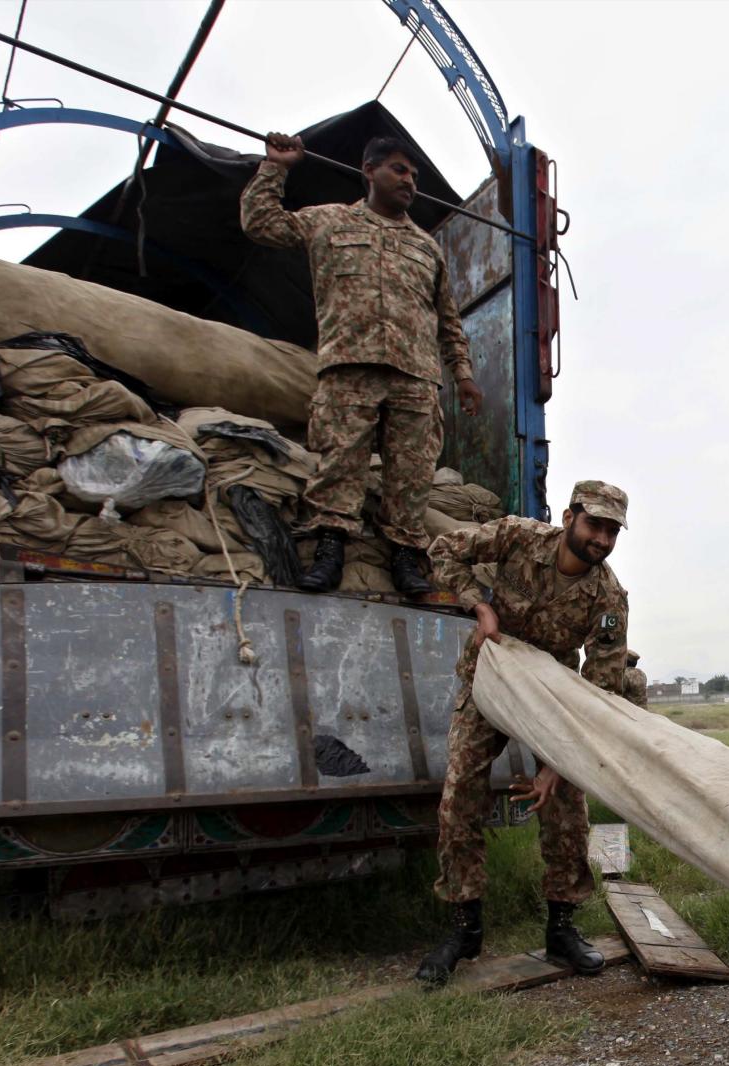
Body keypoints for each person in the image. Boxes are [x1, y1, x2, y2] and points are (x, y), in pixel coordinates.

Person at [242, 132, 482, 596]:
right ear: (369, 171)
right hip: (350, 368)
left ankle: (406, 561)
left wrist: (464, 375)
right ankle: (330, 551)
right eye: (398, 169)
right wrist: (276, 167)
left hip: (415, 378)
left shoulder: (426, 248)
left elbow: (447, 318)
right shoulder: (330, 222)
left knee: (410, 477)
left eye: (413, 174)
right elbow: (260, 223)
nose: (409, 180)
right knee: (341, 464)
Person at [416, 481, 632, 984]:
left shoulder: (609, 598)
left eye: (612, 531)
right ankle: (465, 927)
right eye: (594, 524)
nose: (601, 538)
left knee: (565, 807)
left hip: (550, 697)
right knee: (460, 796)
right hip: (489, 679)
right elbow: (444, 550)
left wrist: (557, 764)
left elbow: (600, 690)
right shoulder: (517, 538)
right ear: (568, 516)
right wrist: (478, 605)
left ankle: (562, 927)